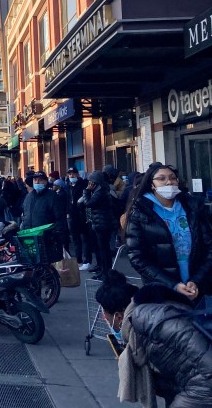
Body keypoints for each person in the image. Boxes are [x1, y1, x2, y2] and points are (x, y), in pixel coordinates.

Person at [96, 270, 212, 407]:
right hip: (194, 382)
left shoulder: (148, 319)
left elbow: (206, 360)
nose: (107, 321)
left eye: (105, 317)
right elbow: (170, 375)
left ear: (119, 316)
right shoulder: (143, 321)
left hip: (204, 385)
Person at [125, 162, 212, 299]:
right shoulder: (140, 212)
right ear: (152, 185)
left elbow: (209, 247)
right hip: (162, 290)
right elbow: (137, 257)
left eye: (172, 178)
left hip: (199, 287)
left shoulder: (193, 207)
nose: (168, 182)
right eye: (161, 179)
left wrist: (196, 281)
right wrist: (173, 285)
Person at [79, 170, 119, 279]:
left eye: (91, 182)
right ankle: (103, 270)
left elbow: (88, 203)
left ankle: (106, 272)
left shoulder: (100, 192)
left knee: (104, 249)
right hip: (100, 222)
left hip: (102, 224)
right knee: (101, 249)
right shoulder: (101, 190)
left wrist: (86, 191)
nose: (89, 184)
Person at [21, 171, 66, 243]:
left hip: (47, 238)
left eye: (40, 180)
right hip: (29, 237)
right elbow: (25, 214)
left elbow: (59, 218)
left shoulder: (52, 196)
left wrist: (58, 236)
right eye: (35, 180)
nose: (37, 182)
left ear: (45, 182)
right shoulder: (29, 196)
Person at [67, 167, 95, 270]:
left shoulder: (84, 184)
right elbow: (68, 201)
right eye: (69, 174)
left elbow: (87, 200)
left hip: (82, 216)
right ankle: (78, 260)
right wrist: (68, 212)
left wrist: (87, 218)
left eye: (73, 173)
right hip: (72, 217)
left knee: (85, 239)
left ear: (78, 174)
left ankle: (87, 261)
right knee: (75, 240)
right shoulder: (69, 186)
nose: (71, 176)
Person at [52, 179, 71, 251]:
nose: (53, 187)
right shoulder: (57, 193)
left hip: (62, 217)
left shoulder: (61, 194)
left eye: (54, 185)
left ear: (59, 186)